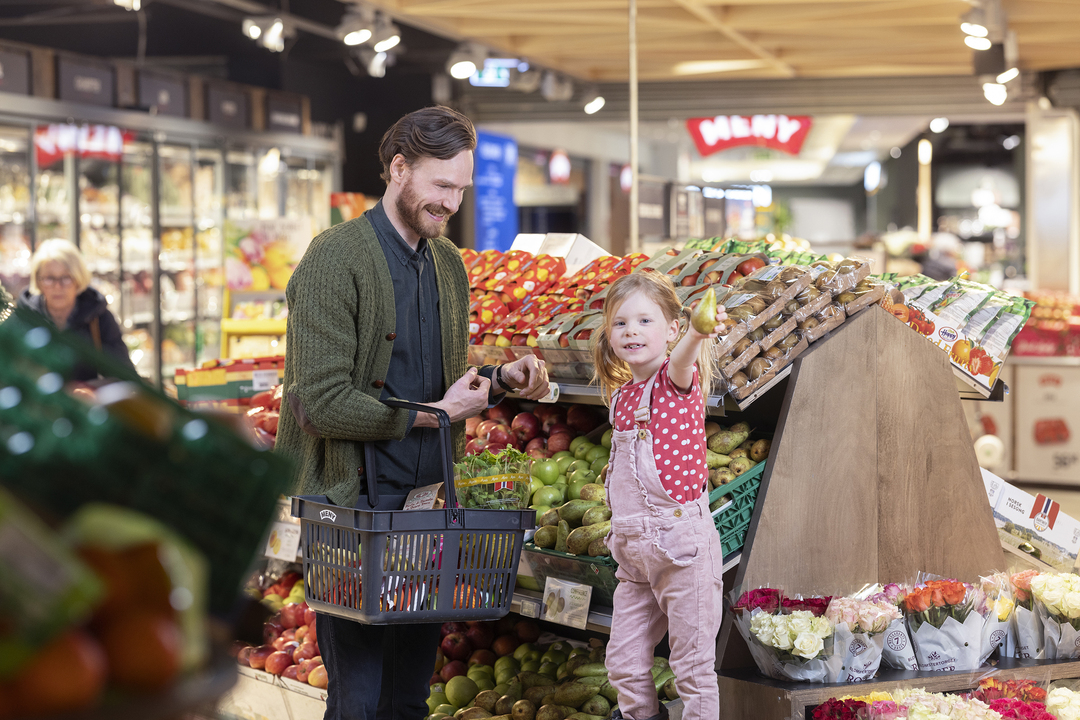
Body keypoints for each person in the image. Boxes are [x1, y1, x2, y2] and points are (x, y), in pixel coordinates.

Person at [275, 106, 550, 720]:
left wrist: (501, 380)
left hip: (428, 506)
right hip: (354, 511)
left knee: (408, 697)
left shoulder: (448, 265)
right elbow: (319, 403)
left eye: (461, 189)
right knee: (359, 697)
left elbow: (444, 386)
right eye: (441, 185)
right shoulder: (333, 258)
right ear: (399, 168)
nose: (452, 202)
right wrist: (435, 414)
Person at [591, 271, 727, 720]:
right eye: (620, 323)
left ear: (670, 329)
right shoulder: (622, 397)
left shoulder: (677, 382)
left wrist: (696, 332)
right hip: (633, 553)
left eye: (645, 321)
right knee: (625, 665)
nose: (631, 331)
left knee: (691, 669)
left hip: (682, 547)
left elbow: (685, 358)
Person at [18, 239, 135, 381]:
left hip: (86, 403)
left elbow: (125, 376)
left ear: (79, 279)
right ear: (38, 281)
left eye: (66, 278)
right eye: (49, 278)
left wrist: (90, 391)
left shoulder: (98, 318)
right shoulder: (22, 319)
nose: (58, 286)